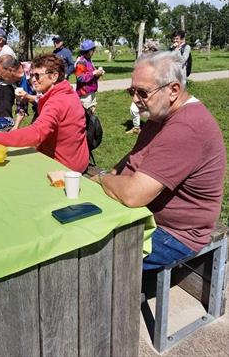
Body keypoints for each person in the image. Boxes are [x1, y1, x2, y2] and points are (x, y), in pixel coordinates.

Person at [93, 51, 226, 270]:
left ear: (173, 90)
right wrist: (113, 175)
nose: (136, 100)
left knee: (93, 261)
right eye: (132, 91)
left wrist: (102, 178)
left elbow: (134, 195)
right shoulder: (159, 113)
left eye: (143, 92)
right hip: (144, 214)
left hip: (175, 234)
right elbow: (134, 156)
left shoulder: (186, 128)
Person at [0, 54, 89, 173]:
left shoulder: (56, 102)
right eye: (32, 75)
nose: (33, 80)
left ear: (54, 76)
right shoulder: (67, 92)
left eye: (38, 76)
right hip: (78, 160)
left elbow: (36, 133)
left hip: (64, 167)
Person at [0, 54, 37, 128]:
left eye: (0, 73)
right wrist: (15, 126)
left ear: (10, 70)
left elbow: (49, 97)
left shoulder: (33, 71)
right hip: (41, 108)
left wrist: (28, 97)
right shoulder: (14, 79)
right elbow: (21, 105)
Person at [126, 39, 159, 135]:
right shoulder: (143, 59)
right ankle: (137, 128)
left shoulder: (157, 62)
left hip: (152, 90)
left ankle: (156, 130)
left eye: (145, 47)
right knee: (134, 109)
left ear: (152, 49)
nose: (143, 49)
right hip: (141, 89)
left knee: (153, 111)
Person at [74, 39, 104, 112]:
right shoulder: (81, 62)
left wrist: (98, 74)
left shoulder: (89, 60)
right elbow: (80, 78)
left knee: (91, 113)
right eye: (93, 50)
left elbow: (91, 76)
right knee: (85, 115)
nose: (93, 52)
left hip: (91, 92)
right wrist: (93, 73)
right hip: (85, 95)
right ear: (89, 51)